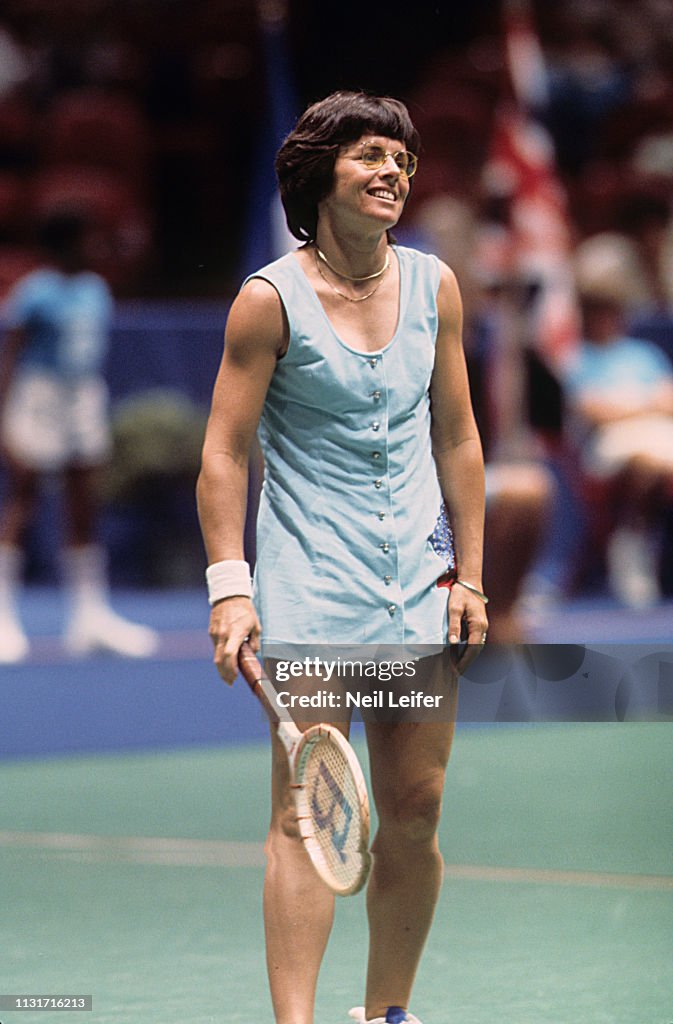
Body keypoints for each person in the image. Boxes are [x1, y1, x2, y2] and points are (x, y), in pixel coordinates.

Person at [196, 91, 488, 1024]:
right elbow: (223, 454)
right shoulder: (267, 301)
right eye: (370, 155)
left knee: (413, 811)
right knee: (303, 817)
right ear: (320, 172)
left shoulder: (434, 286)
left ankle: (387, 1014)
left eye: (402, 159)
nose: (392, 172)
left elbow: (458, 441)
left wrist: (468, 575)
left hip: (416, 598)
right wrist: (229, 591)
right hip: (309, 597)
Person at [0, 210, 159, 662]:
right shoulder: (34, 293)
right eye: (87, 237)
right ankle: (4, 618)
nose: (94, 246)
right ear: (64, 243)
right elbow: (11, 355)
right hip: (37, 396)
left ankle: (90, 618)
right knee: (23, 499)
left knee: (84, 502)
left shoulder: (96, 289)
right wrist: (6, 418)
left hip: (82, 396)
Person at [562, 236, 673, 607]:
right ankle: (633, 538)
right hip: (607, 447)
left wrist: (627, 405)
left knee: (659, 460)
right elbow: (595, 411)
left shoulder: (644, 353)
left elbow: (669, 401)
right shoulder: (577, 358)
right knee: (647, 464)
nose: (606, 318)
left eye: (611, 310)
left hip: (657, 434)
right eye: (597, 311)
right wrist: (644, 404)